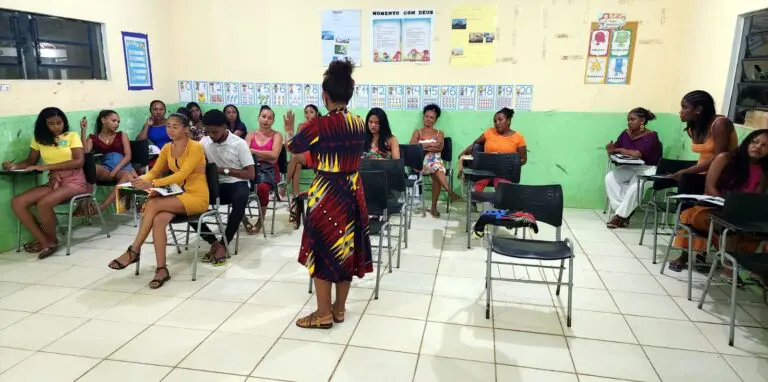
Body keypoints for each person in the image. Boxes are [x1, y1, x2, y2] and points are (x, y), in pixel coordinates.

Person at [284, 59, 372, 329]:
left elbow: (293, 147)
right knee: (345, 249)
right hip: (352, 191)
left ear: (324, 96)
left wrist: (289, 128)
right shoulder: (359, 124)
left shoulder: (319, 125)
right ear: (350, 93)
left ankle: (322, 314)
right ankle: (339, 310)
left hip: (326, 194)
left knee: (322, 249)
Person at [107, 111, 208, 289]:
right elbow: (155, 171)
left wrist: (152, 183)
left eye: (175, 127)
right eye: (168, 126)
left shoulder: (196, 147)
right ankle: (161, 269)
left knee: (153, 202)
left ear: (185, 129)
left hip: (196, 197)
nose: (170, 130)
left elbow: (181, 174)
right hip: (176, 194)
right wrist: (141, 179)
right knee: (159, 219)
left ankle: (134, 250)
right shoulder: (167, 148)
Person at [667, 129, 768, 276]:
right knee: (730, 227)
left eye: (765, 145)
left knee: (756, 229)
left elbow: (756, 198)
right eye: (755, 142)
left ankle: (754, 271)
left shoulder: (764, 171)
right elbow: (710, 186)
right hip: (711, 208)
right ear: (747, 142)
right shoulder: (725, 158)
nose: (758, 147)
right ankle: (728, 269)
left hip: (741, 215)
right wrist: (728, 205)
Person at [3, 107, 89, 259]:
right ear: (44, 125)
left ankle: (52, 241)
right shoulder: (39, 139)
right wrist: (13, 166)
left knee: (43, 203)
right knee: (18, 202)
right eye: (51, 124)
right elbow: (31, 161)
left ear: (64, 122)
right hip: (54, 181)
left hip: (74, 182)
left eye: (59, 122)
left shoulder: (72, 136)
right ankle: (45, 241)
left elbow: (78, 161)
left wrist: (45, 167)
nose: (56, 126)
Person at [191, 109, 255, 265]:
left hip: (236, 183)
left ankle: (224, 243)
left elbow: (250, 174)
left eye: (215, 132)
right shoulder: (204, 142)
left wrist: (222, 170)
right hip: (215, 185)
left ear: (225, 127)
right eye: (208, 132)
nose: (212, 135)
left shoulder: (239, 144)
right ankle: (213, 242)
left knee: (240, 199)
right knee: (187, 204)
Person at [604, 107, 663, 228]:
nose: (629, 122)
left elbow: (638, 154)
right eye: (628, 120)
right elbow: (615, 149)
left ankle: (619, 217)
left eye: (632, 119)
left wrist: (619, 149)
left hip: (649, 168)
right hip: (631, 167)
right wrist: (610, 149)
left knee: (635, 186)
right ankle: (625, 212)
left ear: (642, 121)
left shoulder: (651, 136)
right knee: (610, 178)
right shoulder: (625, 134)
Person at [671, 90, 738, 180]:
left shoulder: (720, 124)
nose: (680, 112)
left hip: (722, 177)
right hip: (701, 174)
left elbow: (719, 158)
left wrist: (687, 172)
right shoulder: (692, 128)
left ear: (698, 109)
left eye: (684, 107)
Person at [79, 110, 137, 214]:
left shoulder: (121, 135)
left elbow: (128, 156)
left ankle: (102, 207)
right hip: (106, 168)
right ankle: (84, 203)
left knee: (127, 177)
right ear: (103, 120)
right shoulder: (94, 138)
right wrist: (83, 131)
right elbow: (85, 153)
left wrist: (114, 171)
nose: (117, 124)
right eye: (114, 121)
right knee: (89, 167)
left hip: (122, 168)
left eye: (118, 122)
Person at [410, 103, 461, 218]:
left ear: (436, 119)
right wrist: (430, 145)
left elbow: (440, 148)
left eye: (431, 117)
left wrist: (423, 146)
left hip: (436, 161)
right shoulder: (418, 132)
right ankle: (449, 192)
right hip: (421, 162)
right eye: (426, 116)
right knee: (437, 167)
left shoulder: (439, 133)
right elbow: (413, 147)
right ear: (423, 117)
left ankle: (434, 207)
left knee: (436, 170)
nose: (428, 119)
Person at [460, 107, 528, 192]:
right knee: (475, 190)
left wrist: (510, 164)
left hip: (504, 172)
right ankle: (475, 203)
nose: (497, 123)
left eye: (500, 120)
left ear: (508, 121)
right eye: (495, 121)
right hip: (485, 170)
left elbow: (523, 159)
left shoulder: (518, 137)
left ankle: (499, 203)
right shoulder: (489, 132)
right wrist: (463, 154)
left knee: (501, 190)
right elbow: (475, 144)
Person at [244, 105, 283, 234]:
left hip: (269, 171)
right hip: (251, 168)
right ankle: (243, 219)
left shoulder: (277, 135)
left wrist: (253, 151)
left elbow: (274, 157)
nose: (266, 120)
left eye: (270, 118)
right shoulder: (250, 135)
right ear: (258, 118)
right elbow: (244, 155)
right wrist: (265, 155)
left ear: (273, 121)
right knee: (237, 186)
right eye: (263, 117)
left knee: (262, 188)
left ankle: (261, 220)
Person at [284, 104, 321, 199]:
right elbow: (296, 144)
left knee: (295, 158)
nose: (308, 115)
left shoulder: (320, 125)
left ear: (316, 114)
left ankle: (283, 186)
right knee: (297, 165)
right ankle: (296, 196)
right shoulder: (301, 126)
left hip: (315, 155)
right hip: (302, 156)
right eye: (306, 113)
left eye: (311, 112)